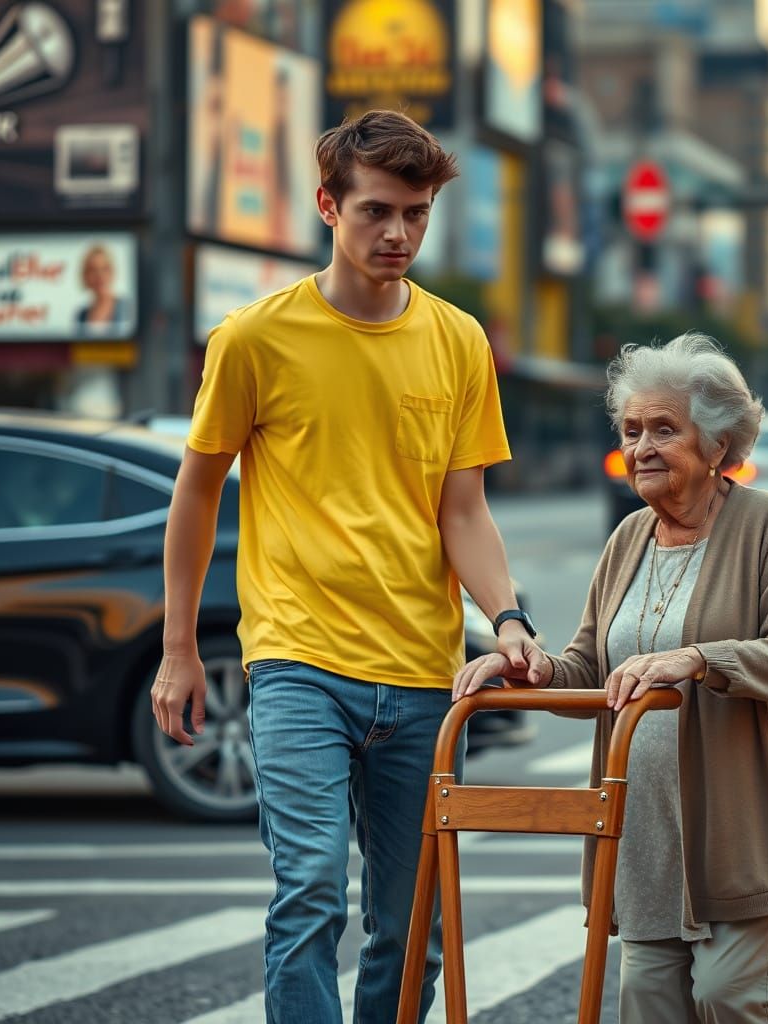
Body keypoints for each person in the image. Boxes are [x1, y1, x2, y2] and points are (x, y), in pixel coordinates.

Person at [150, 110, 543, 1024]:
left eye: (416, 212)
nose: (397, 233)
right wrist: (178, 647)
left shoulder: (458, 341)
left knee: (412, 928)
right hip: (297, 662)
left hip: (421, 670)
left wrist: (511, 617)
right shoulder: (254, 340)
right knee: (312, 890)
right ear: (328, 206)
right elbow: (197, 492)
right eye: (375, 211)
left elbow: (465, 510)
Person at [454, 332, 768, 1024]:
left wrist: (698, 658)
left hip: (750, 829)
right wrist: (530, 666)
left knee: (728, 997)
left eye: (665, 429)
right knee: (650, 1008)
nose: (641, 448)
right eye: (632, 430)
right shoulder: (628, 537)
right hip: (646, 838)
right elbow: (589, 669)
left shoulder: (767, 524)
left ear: (718, 445)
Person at [75, 245, 129, 334]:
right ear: (85, 276)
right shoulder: (81, 316)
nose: (99, 276)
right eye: (93, 270)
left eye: (104, 269)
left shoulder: (128, 309)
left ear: (112, 272)